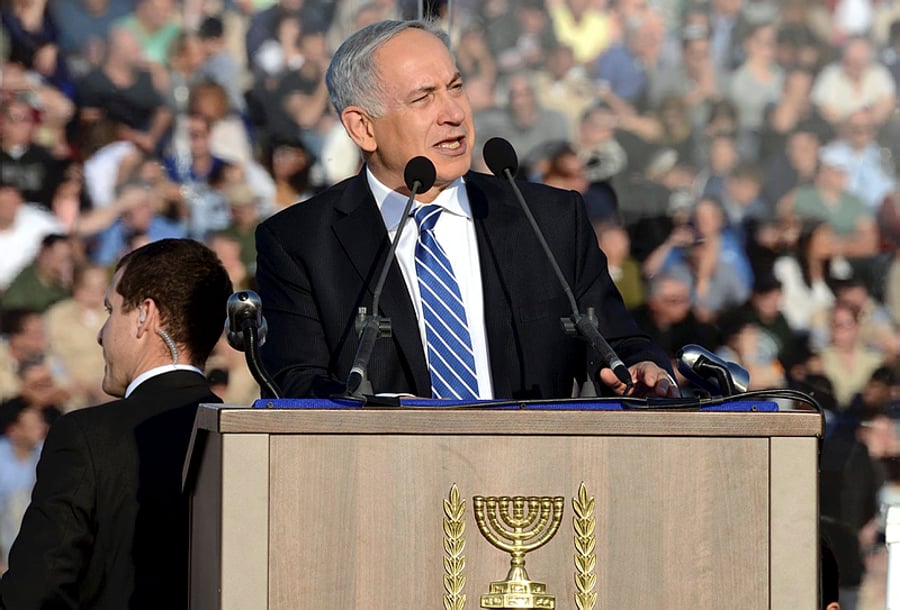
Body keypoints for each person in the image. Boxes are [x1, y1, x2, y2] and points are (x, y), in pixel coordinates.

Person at [255, 20, 676, 400]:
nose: (454, 113)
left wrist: (644, 367)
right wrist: (390, 413)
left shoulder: (549, 220)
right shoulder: (300, 243)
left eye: (455, 87)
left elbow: (619, 344)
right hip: (384, 460)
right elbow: (296, 385)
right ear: (363, 127)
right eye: (424, 98)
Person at [0, 238, 233, 608]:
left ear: (145, 315)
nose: (101, 332)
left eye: (110, 310)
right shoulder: (242, 439)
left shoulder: (86, 437)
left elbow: (33, 593)